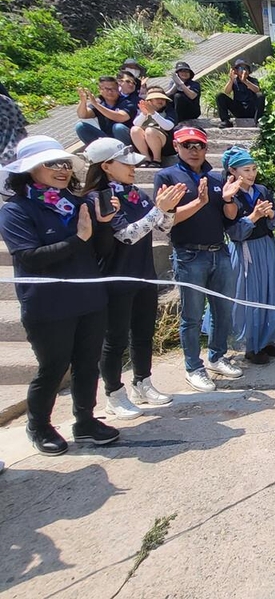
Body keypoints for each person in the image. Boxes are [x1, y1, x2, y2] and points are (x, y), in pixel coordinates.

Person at [0, 136, 120, 455]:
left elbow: (100, 250)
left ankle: (85, 421)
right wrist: (79, 239)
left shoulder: (77, 203)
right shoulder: (16, 210)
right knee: (53, 367)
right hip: (48, 304)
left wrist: (104, 225)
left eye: (65, 163)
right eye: (52, 163)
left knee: (87, 363)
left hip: (89, 298)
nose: (62, 169)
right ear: (30, 169)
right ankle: (39, 425)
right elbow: (29, 256)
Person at [82, 138, 184, 418]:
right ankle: (114, 393)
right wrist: (158, 209)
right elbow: (126, 235)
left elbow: (162, 226)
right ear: (106, 166)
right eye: (125, 164)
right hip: (116, 276)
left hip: (143, 273)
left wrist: (169, 209)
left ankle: (143, 381)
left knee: (143, 332)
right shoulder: (98, 198)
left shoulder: (135, 192)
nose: (132, 169)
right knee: (115, 338)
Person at [153, 125, 243, 391]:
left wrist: (228, 200)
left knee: (222, 310)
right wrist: (199, 203)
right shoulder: (166, 177)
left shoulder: (216, 179)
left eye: (199, 145)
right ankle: (193, 367)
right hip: (189, 254)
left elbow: (230, 218)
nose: (194, 150)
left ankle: (217, 356)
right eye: (187, 145)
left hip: (219, 251)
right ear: (176, 146)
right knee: (191, 316)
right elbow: (165, 222)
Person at [222, 146, 275, 364]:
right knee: (250, 296)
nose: (251, 174)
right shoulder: (230, 195)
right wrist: (253, 216)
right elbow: (233, 231)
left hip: (267, 247)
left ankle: (269, 339)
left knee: (271, 291)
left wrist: (270, 215)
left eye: (253, 169)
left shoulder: (261, 190)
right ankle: (252, 345)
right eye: (246, 170)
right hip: (246, 251)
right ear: (233, 172)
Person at [75, 76, 135, 147]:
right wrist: (83, 101)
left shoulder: (127, 102)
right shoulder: (100, 103)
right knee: (80, 126)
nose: (110, 92)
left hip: (126, 138)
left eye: (113, 89)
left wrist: (96, 104)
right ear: (100, 90)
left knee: (118, 127)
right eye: (106, 89)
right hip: (108, 139)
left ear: (118, 89)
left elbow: (121, 117)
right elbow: (83, 115)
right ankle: (98, 152)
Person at [129, 87, 177, 168]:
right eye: (157, 98)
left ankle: (157, 160)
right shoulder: (143, 112)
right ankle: (146, 159)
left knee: (150, 131)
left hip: (165, 144)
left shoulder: (169, 110)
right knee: (135, 130)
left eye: (162, 98)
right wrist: (144, 114)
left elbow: (168, 126)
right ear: (149, 101)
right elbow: (136, 124)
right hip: (146, 144)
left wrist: (154, 113)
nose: (160, 101)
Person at [216, 59, 264, 128]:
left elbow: (257, 90)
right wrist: (231, 79)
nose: (243, 70)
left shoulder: (253, 80)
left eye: (245, 68)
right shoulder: (234, 81)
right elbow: (227, 92)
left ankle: (258, 121)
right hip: (239, 109)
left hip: (251, 108)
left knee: (260, 96)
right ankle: (225, 121)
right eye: (241, 68)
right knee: (220, 96)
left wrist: (245, 81)